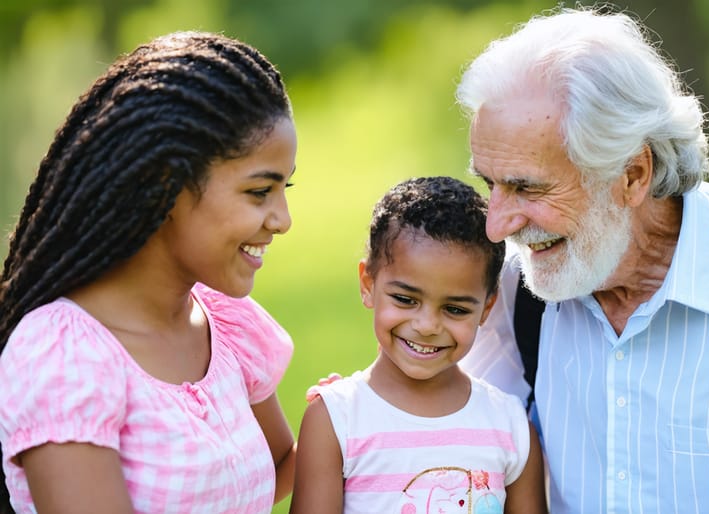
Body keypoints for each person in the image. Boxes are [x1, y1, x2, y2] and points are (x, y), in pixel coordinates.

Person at [455, 7, 709, 514]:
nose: (496, 226)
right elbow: (452, 446)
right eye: (491, 184)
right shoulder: (513, 279)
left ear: (634, 175)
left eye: (526, 187)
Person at [0, 31, 297, 513]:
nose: (282, 219)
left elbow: (283, 462)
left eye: (287, 188)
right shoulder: (66, 357)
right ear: (167, 185)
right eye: (260, 192)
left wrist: (359, 411)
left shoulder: (224, 322)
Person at [290, 177, 547, 514]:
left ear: (486, 307)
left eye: (455, 309)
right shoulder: (335, 419)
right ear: (368, 284)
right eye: (405, 299)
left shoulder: (511, 426)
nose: (427, 326)